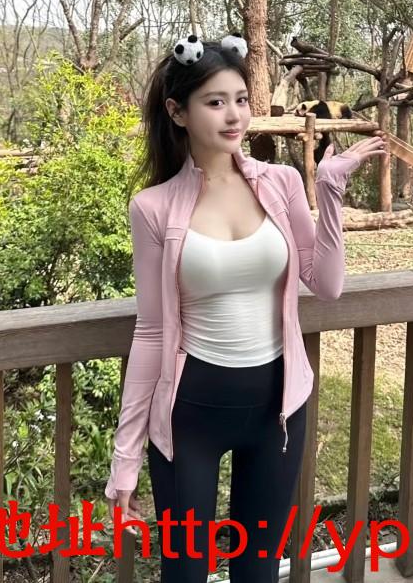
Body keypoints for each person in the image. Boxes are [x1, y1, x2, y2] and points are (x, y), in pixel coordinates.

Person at [105, 32, 387, 582]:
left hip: (278, 407)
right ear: (178, 112)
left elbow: (326, 284)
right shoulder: (153, 208)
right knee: (185, 571)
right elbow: (152, 332)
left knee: (257, 571)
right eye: (215, 102)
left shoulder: (281, 183)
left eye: (240, 99)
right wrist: (125, 461)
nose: (234, 115)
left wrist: (329, 190)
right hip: (190, 413)